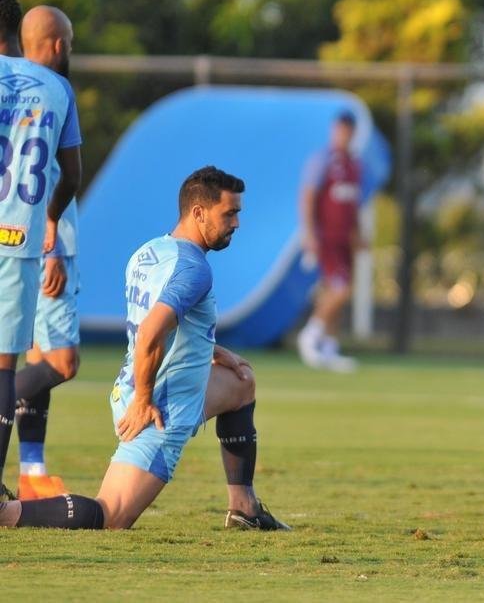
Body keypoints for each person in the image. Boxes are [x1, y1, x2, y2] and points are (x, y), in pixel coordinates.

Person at [0, 166, 290, 530]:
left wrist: (215, 351)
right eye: (229, 213)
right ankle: (5, 513)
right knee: (111, 516)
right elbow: (152, 330)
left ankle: (244, 509)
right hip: (157, 406)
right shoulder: (194, 269)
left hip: (146, 385)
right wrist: (144, 401)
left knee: (241, 383)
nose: (236, 223)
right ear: (199, 213)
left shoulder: (150, 252)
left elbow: (165, 323)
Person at [0, 27, 82, 502]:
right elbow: (59, 177)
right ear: (54, 44)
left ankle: (32, 469)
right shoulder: (54, 95)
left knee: (35, 357)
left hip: (41, 241)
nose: (70, 48)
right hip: (43, 244)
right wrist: (53, 250)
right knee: (61, 361)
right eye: (68, 39)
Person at [297, 111, 362, 372]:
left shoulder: (354, 164)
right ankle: (310, 335)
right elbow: (308, 196)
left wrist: (358, 232)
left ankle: (329, 348)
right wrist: (309, 232)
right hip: (327, 238)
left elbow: (352, 203)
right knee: (341, 289)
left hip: (345, 238)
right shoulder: (323, 160)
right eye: (340, 130)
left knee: (335, 292)